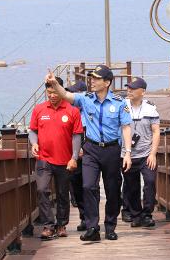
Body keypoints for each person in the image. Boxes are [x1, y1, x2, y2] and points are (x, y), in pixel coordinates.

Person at [45, 65, 132, 242]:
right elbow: (67, 96)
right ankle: (92, 227)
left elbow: (126, 128)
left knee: (112, 189)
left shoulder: (119, 102)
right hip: (91, 148)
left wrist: (128, 152)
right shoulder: (86, 99)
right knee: (88, 186)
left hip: (112, 149)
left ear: (107, 82)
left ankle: (110, 226)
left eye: (96, 78)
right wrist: (55, 83)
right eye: (91, 77)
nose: (92, 80)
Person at [29, 76, 84, 240]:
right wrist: (33, 143)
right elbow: (33, 130)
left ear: (61, 91)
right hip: (44, 158)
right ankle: (48, 225)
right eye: (49, 92)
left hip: (64, 160)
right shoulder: (39, 109)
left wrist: (74, 157)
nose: (52, 95)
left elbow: (76, 136)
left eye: (55, 92)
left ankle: (61, 224)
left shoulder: (72, 110)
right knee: (42, 190)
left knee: (62, 193)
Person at [121, 77, 160, 227]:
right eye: (128, 87)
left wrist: (153, 154)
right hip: (127, 154)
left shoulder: (150, 109)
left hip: (146, 154)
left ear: (142, 91)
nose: (129, 90)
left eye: (133, 88)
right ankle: (136, 215)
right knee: (131, 185)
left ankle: (147, 213)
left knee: (150, 182)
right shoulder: (122, 106)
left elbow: (156, 132)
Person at [65, 80, 88, 231]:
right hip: (73, 157)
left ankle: (92, 218)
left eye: (75, 93)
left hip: (89, 155)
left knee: (90, 186)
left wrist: (84, 148)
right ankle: (84, 217)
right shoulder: (69, 111)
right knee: (77, 187)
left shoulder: (89, 110)